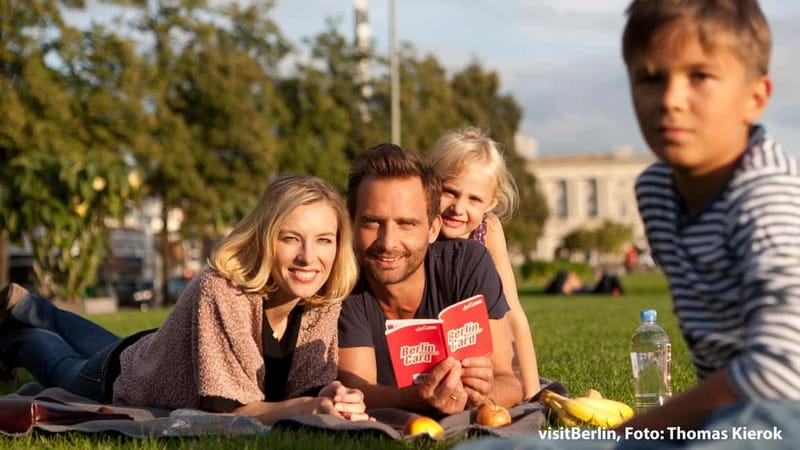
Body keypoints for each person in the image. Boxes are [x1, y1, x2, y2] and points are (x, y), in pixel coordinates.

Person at [0, 175, 369, 425]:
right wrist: (305, 406)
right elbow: (227, 412)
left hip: (149, 349)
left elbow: (305, 389)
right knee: (55, 355)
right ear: (264, 239)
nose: (309, 257)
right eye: (291, 238)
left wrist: (329, 394)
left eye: (324, 239)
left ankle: (26, 305)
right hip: (123, 378)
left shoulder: (322, 297)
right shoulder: (222, 290)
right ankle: (13, 337)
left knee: (93, 339)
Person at [620, 0, 800, 433]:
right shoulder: (658, 192)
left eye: (699, 76)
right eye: (650, 78)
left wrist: (637, 432)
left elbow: (781, 374)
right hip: (735, 422)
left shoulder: (767, 199)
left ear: (754, 98)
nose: (670, 100)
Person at [337, 143, 523, 415]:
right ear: (352, 224)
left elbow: (510, 381)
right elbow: (357, 391)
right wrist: (420, 399)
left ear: (433, 228)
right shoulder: (344, 282)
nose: (388, 243)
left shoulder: (468, 264)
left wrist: (481, 392)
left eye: (406, 224)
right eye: (372, 222)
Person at [429, 126, 540, 399]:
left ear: (491, 202)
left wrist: (533, 391)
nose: (458, 207)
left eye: (474, 199)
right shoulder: (420, 226)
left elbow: (513, 312)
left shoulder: (487, 230)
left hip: (473, 352)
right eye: (450, 192)